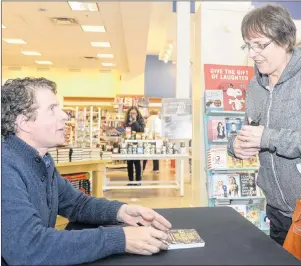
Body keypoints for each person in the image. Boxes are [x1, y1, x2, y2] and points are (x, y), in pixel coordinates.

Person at [1, 78, 172, 265]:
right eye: (52, 109)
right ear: (24, 122)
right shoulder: (5, 168)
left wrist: (121, 212)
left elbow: (76, 204)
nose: (64, 116)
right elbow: (29, 247)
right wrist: (120, 239)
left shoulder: (42, 161)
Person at [227, 4, 301, 246]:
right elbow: (250, 130)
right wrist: (235, 146)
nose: (252, 53)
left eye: (260, 45)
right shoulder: (254, 87)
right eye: (248, 45)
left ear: (285, 40)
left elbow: (265, 136)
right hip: (277, 211)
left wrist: (267, 138)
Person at [124, 106, 145, 185]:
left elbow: (142, 130)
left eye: (134, 113)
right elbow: (124, 130)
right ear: (129, 113)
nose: (132, 114)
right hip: (129, 143)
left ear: (137, 113)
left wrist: (135, 122)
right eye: (131, 113)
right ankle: (131, 180)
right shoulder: (127, 120)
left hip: (138, 143)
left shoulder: (140, 120)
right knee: (129, 162)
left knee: (137, 161)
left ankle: (138, 180)